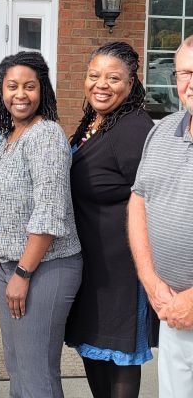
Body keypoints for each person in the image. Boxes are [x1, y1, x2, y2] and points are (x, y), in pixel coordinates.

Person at [0, 51, 82, 398]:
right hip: (11, 264)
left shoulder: (46, 135)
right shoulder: (9, 137)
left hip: (44, 268)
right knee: (17, 366)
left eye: (29, 86)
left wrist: (22, 274)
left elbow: (49, 212)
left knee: (37, 371)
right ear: (1, 91)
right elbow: (3, 207)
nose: (20, 94)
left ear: (43, 91)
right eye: (12, 86)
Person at [65, 42, 158, 398]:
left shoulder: (134, 128)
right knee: (93, 350)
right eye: (94, 76)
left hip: (120, 268)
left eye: (113, 78)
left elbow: (153, 198)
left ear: (131, 84)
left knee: (119, 359)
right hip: (92, 264)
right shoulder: (96, 120)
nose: (101, 84)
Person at [129, 35, 193, 398]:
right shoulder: (164, 131)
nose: (191, 83)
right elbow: (139, 200)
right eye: (184, 72)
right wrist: (151, 282)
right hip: (172, 310)